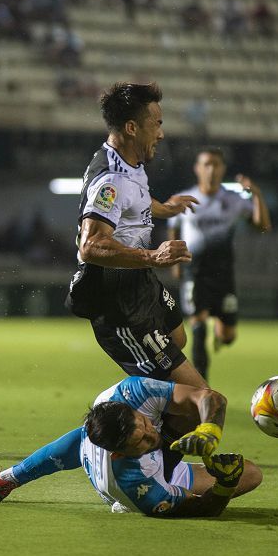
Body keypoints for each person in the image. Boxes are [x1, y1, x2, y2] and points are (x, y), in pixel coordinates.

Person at [65, 82, 205, 388]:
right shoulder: (111, 181)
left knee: (177, 338)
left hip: (140, 279)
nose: (161, 133)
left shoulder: (129, 160)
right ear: (131, 127)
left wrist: (165, 209)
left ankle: (153, 403)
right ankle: (127, 417)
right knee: (199, 397)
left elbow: (134, 201)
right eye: (156, 124)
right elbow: (91, 245)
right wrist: (154, 256)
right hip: (117, 297)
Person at [0, 376, 262, 517]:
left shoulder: (130, 392)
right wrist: (225, 484)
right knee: (247, 475)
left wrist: (209, 430)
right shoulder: (132, 485)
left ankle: (3, 480)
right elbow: (203, 509)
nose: (151, 436)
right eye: (141, 441)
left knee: (192, 408)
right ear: (119, 453)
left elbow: (209, 397)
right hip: (146, 486)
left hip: (136, 460)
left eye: (144, 424)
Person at [167, 148, 271, 383]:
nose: (211, 170)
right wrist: (175, 262)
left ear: (223, 169)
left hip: (223, 273)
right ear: (197, 168)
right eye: (206, 164)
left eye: (216, 165)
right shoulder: (186, 197)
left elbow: (263, 226)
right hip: (195, 271)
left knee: (228, 336)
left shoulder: (233, 200)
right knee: (197, 325)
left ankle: (220, 332)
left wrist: (256, 194)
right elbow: (173, 225)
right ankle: (201, 386)